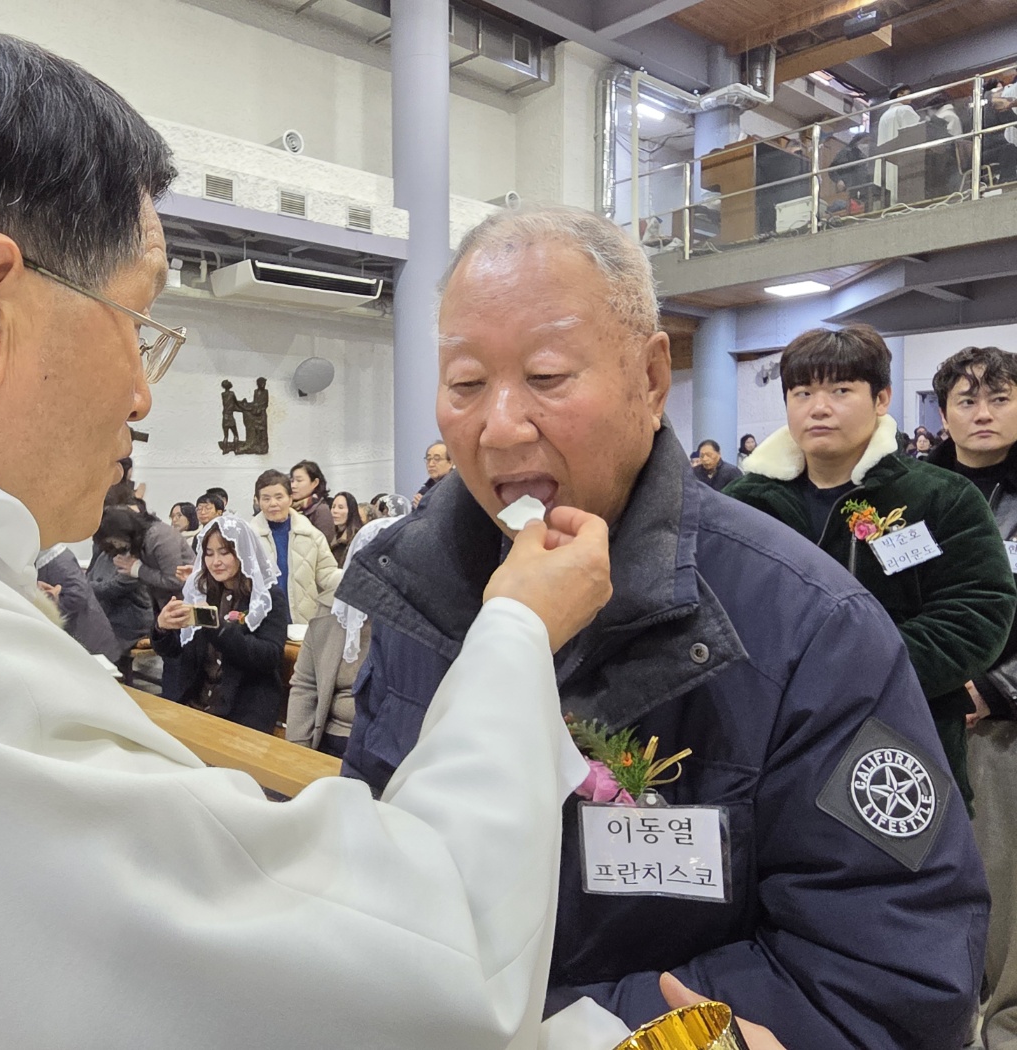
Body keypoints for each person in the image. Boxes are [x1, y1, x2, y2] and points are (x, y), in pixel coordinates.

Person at [0, 22, 654, 1050]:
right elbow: (432, 960)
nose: (141, 389)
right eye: (135, 317)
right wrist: (516, 628)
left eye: (549, 378)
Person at [336, 205, 990, 1049]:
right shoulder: (416, 593)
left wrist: (580, 1030)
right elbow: (371, 854)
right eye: (465, 384)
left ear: (651, 381)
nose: (499, 423)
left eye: (545, 376)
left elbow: (888, 972)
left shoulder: (807, 626)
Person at [726, 325, 1015, 811]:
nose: (819, 407)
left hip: (904, 744)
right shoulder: (742, 505)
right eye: (803, 392)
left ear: (881, 398)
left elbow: (976, 612)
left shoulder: (939, 496)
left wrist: (841, 672)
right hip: (767, 744)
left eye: (841, 390)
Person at [925, 345, 1017, 1050]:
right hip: (924, 715)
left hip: (1002, 724)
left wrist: (995, 687)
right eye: (966, 400)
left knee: (1003, 879)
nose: (982, 413)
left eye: (999, 398)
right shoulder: (911, 495)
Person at [153, 516, 288, 732]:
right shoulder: (203, 591)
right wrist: (162, 628)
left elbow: (269, 657)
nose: (216, 561)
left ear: (242, 552)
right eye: (208, 553)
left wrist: (217, 628)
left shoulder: (267, 598)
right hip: (196, 703)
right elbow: (175, 651)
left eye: (225, 552)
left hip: (242, 710)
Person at [288, 517, 401, 756]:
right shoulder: (331, 610)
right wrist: (297, 752)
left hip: (388, 747)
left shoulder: (416, 621)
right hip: (333, 737)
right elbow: (305, 685)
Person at [250, 468, 342, 625]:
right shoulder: (249, 537)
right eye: (266, 498)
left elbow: (327, 574)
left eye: (279, 497)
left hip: (302, 622)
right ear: (257, 501)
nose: (273, 504)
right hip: (262, 624)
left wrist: (353, 580)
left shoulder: (311, 535)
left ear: (290, 499)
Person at [87, 507, 156, 663]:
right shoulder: (106, 553)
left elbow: (112, 588)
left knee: (94, 636)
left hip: (130, 622)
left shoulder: (136, 556)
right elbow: (90, 577)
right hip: (109, 614)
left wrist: (84, 586)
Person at [36, 542, 125, 663]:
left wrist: (47, 607)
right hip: (79, 636)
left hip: (88, 637)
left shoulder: (57, 559)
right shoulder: (48, 559)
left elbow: (77, 595)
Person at [875, 85, 921, 206]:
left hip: (886, 161)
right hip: (903, 162)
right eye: (908, 94)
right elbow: (916, 133)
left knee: (889, 189)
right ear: (899, 95)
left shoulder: (884, 116)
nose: (911, 97)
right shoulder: (905, 110)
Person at [290, 459, 335, 544]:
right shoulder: (289, 508)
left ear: (314, 483)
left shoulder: (321, 510)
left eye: (299, 481)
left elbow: (324, 544)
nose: (293, 485)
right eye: (292, 481)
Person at [413, 441, 453, 507]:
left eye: (437, 459)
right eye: (428, 459)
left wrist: (425, 510)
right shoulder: (425, 491)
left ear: (451, 462)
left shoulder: (457, 489)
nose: (431, 464)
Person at [328, 490, 362, 567]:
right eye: (333, 507)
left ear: (351, 511)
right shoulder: (330, 535)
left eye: (340, 507)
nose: (335, 511)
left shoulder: (357, 538)